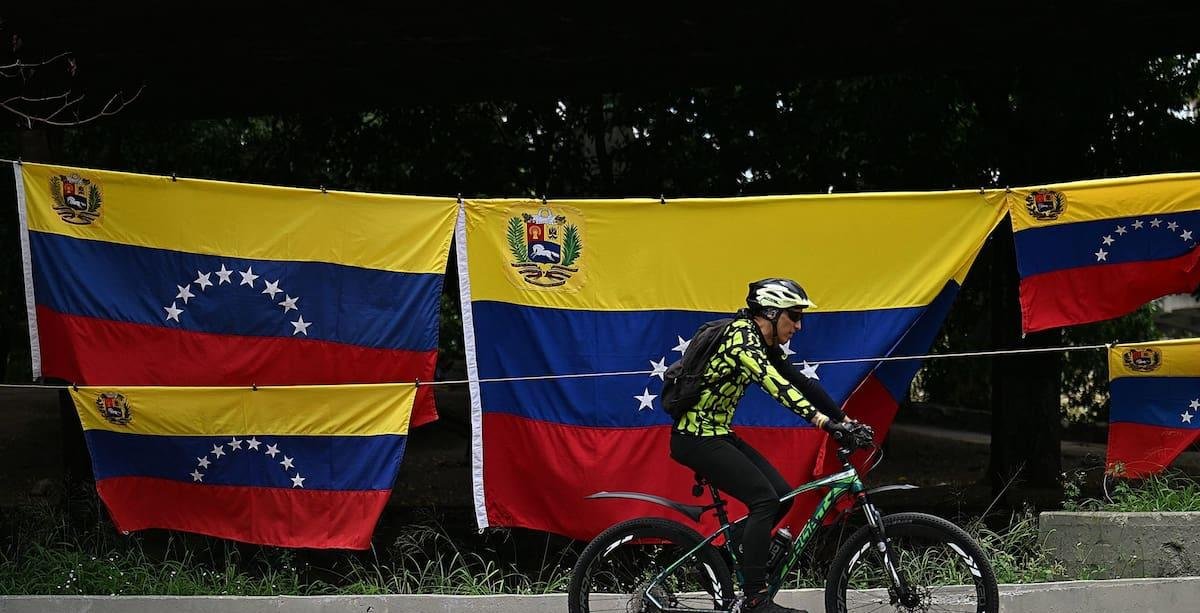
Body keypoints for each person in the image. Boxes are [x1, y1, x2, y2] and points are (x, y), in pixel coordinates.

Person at [670, 277, 870, 613]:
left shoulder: (761, 341)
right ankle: (755, 599)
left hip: (716, 433)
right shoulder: (741, 339)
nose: (799, 325)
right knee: (763, 500)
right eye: (794, 316)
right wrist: (823, 423)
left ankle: (723, 559)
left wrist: (845, 420)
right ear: (771, 313)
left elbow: (799, 381)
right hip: (695, 438)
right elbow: (776, 386)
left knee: (780, 496)